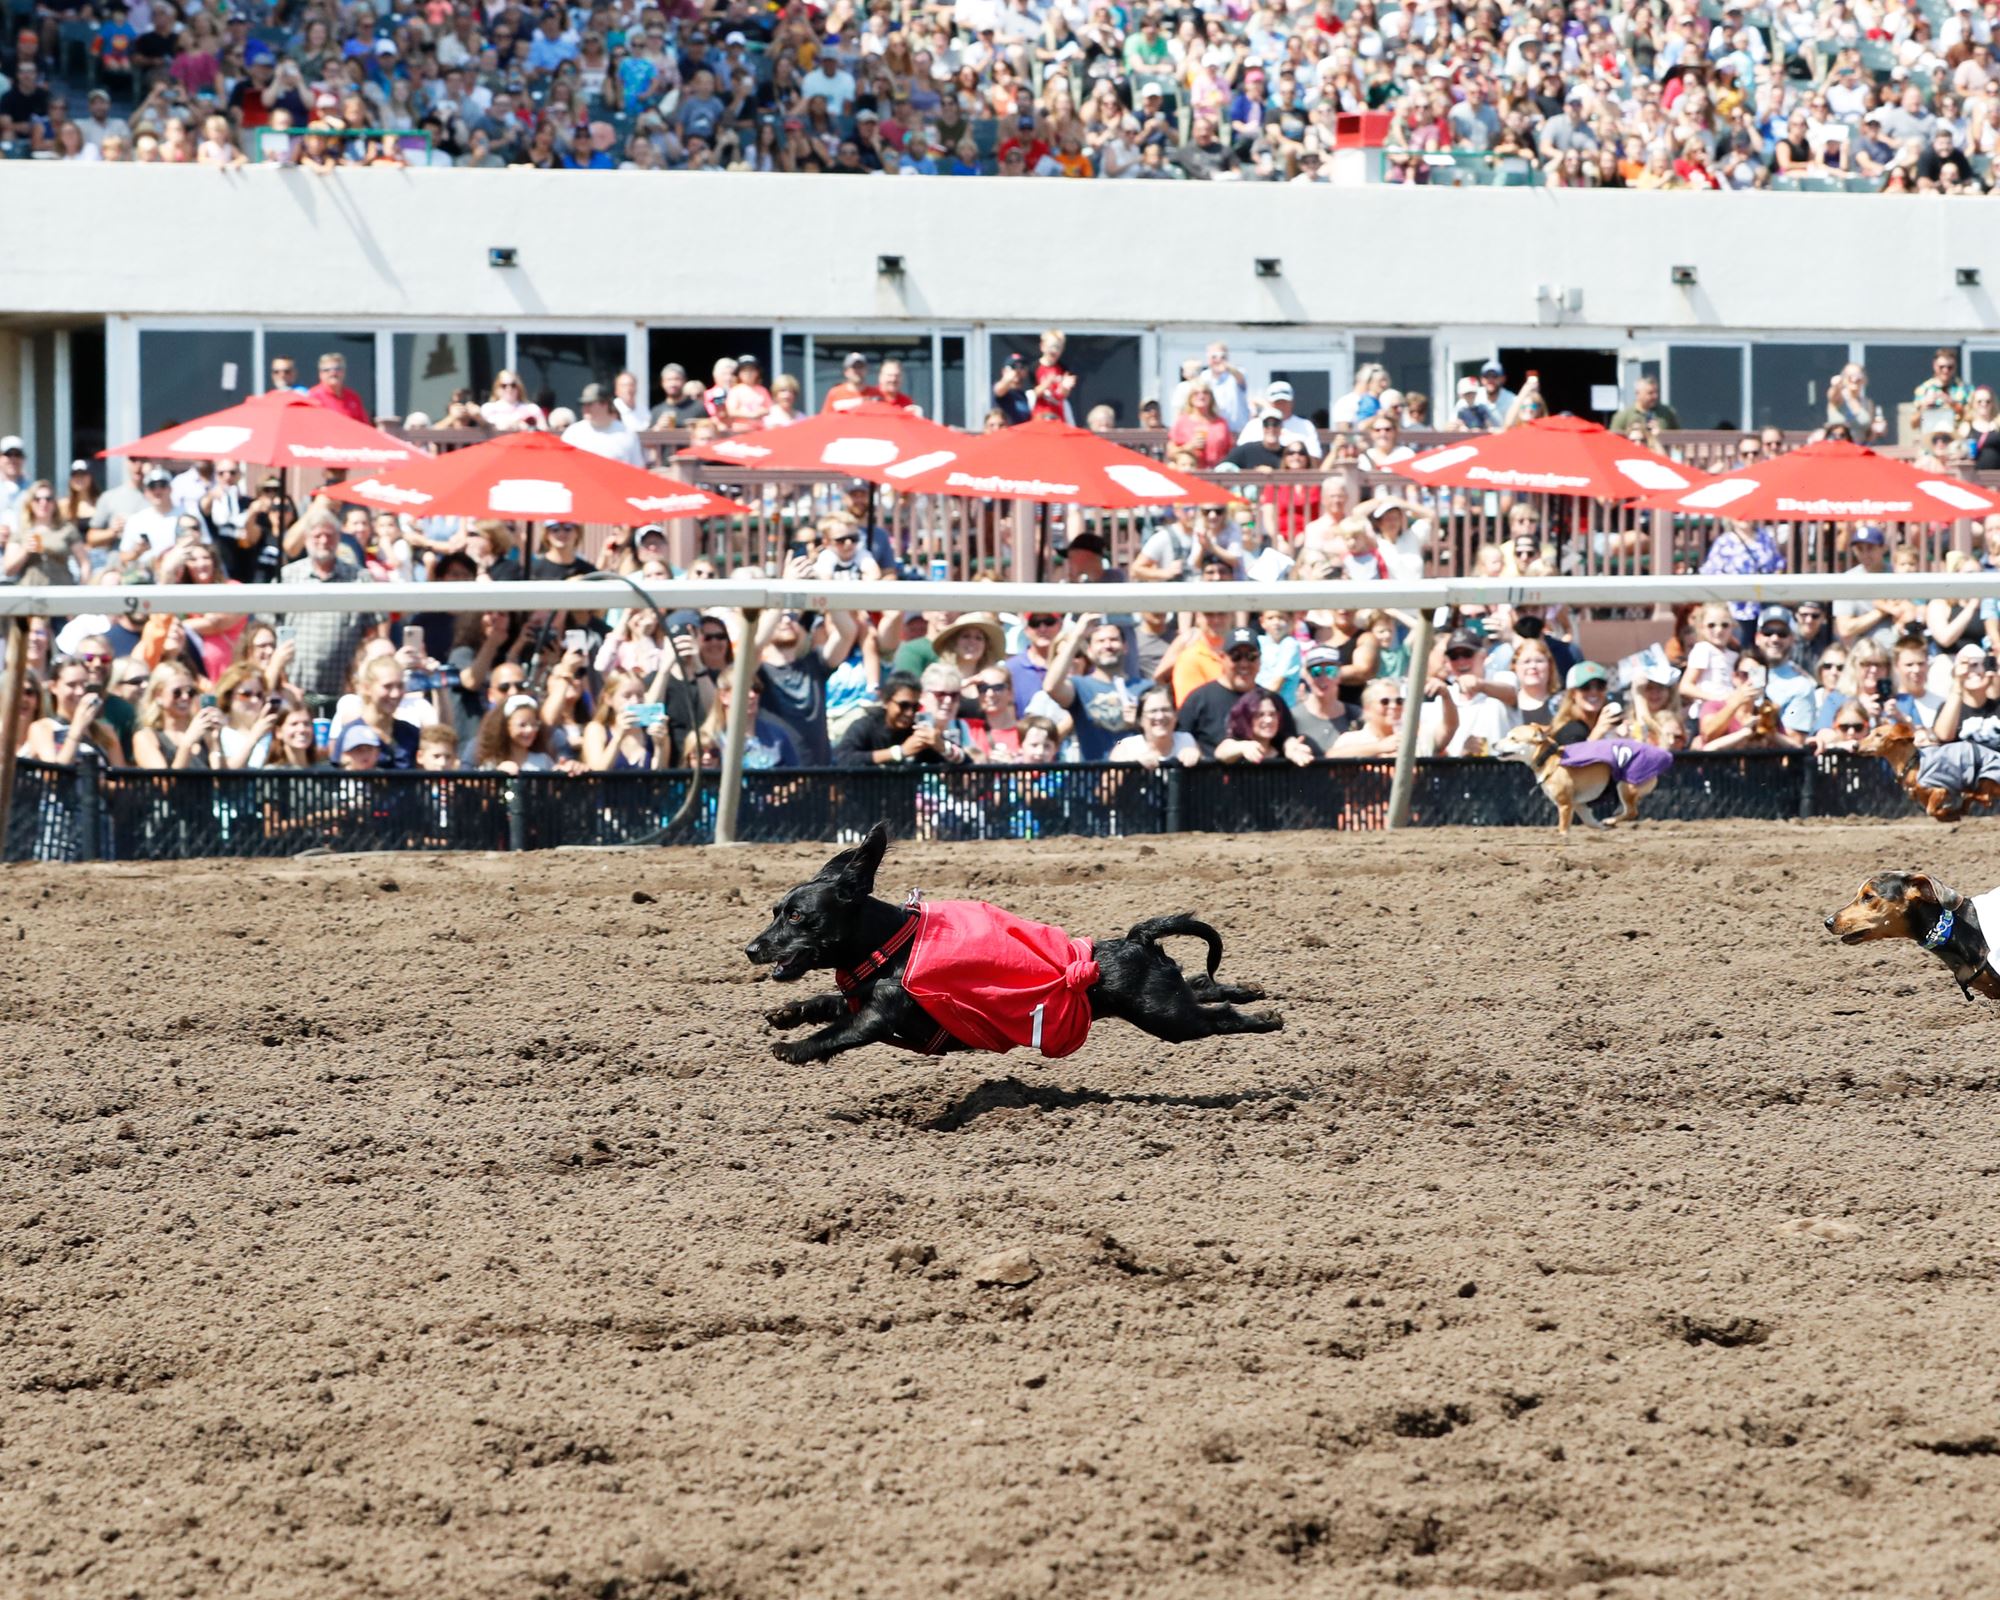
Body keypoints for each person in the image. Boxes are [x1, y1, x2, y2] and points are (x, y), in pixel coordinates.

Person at [755, 588, 860, 766]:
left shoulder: (815, 663)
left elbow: (848, 633)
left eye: (793, 617)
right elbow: (754, 645)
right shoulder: (758, 672)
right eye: (781, 616)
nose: (787, 620)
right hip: (777, 776)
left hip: (819, 773)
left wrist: (825, 586)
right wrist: (784, 590)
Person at [1177, 629, 1310, 760]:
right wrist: (1189, 750)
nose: (1244, 664)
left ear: (1260, 660)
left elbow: (1286, 737)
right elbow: (1180, 738)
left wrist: (1291, 746)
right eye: (1236, 656)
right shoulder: (1199, 698)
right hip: (1211, 779)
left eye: (1251, 657)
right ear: (1222, 658)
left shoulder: (1272, 700)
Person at [1037, 612, 1146, 761]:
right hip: (1092, 778)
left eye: (1114, 639)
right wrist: (1077, 636)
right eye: (1100, 641)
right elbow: (1050, 687)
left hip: (1137, 777)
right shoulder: (1080, 687)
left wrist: (1141, 723)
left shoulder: (1146, 687)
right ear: (1089, 650)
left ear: (1125, 646)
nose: (1107, 645)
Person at [835, 670, 969, 766]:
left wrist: (942, 746)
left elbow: (966, 762)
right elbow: (843, 759)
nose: (909, 713)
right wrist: (899, 752)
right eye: (903, 705)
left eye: (915, 707)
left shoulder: (917, 733)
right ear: (886, 701)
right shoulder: (865, 726)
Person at [1328, 675, 1457, 757]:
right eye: (1385, 701)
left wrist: (1446, 696)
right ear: (1367, 709)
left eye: (1399, 701)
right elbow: (1332, 756)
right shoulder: (1353, 739)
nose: (1394, 706)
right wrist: (1379, 747)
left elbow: (1449, 728)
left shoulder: (1415, 737)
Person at [132, 663, 222, 769]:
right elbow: (165, 783)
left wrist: (215, 745)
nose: (185, 697)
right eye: (177, 692)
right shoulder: (146, 737)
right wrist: (187, 744)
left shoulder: (204, 736)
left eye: (190, 692)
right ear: (158, 695)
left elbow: (222, 783)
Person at [1217, 687, 1317, 767]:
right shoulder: (1238, 744)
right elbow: (1221, 752)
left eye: (1272, 714)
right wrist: (1243, 746)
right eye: (1260, 715)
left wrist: (1293, 749)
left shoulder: (1284, 746)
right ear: (1247, 718)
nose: (1268, 720)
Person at [1108, 685, 1201, 768]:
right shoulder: (1126, 747)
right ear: (1140, 719)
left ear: (1175, 715)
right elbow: (1105, 786)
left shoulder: (1187, 741)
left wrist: (1198, 759)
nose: (1160, 716)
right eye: (1153, 711)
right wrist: (1132, 766)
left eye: (1165, 710)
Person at [561, 383, 646, 465]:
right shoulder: (573, 433)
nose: (585, 408)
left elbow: (638, 468)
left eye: (590, 404)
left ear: (605, 404)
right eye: (583, 404)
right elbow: (562, 465)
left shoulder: (627, 434)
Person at [306, 351, 370, 424]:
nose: (333, 373)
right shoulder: (312, 397)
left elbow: (364, 426)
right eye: (327, 370)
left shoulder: (353, 397)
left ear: (344, 372)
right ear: (320, 374)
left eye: (337, 369)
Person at [1608, 375, 1680, 436]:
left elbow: (1679, 439)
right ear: (1638, 394)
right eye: (1650, 393)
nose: (1655, 396)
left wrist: (1661, 435)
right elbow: (1613, 441)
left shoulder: (1667, 413)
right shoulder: (1623, 416)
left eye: (1656, 392)